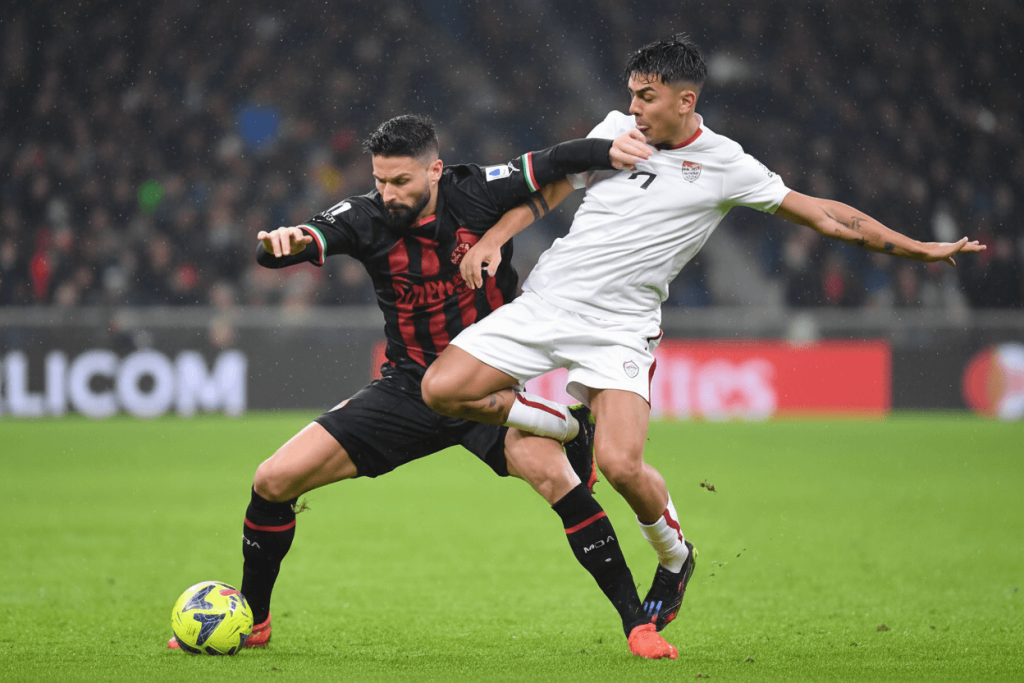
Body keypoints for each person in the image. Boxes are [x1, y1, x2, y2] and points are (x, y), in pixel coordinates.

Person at [420, 34, 987, 634]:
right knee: (442, 389)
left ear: (685, 100)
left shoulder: (725, 165)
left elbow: (825, 215)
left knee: (621, 465)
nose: (634, 108)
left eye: (647, 96)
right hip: (548, 301)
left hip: (621, 328)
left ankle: (674, 557)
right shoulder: (616, 130)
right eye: (631, 95)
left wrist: (916, 248)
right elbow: (550, 191)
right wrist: (492, 240)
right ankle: (566, 426)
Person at [166, 114, 681, 659]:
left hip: (485, 385)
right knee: (272, 480)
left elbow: (555, 161)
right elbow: (307, 238)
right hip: (408, 388)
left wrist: (609, 150)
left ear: (434, 171)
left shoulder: (476, 191)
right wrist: (280, 246)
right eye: (380, 180)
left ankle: (637, 627)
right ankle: (255, 617)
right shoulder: (365, 216)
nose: (388, 193)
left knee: (560, 482)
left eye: (400, 181)